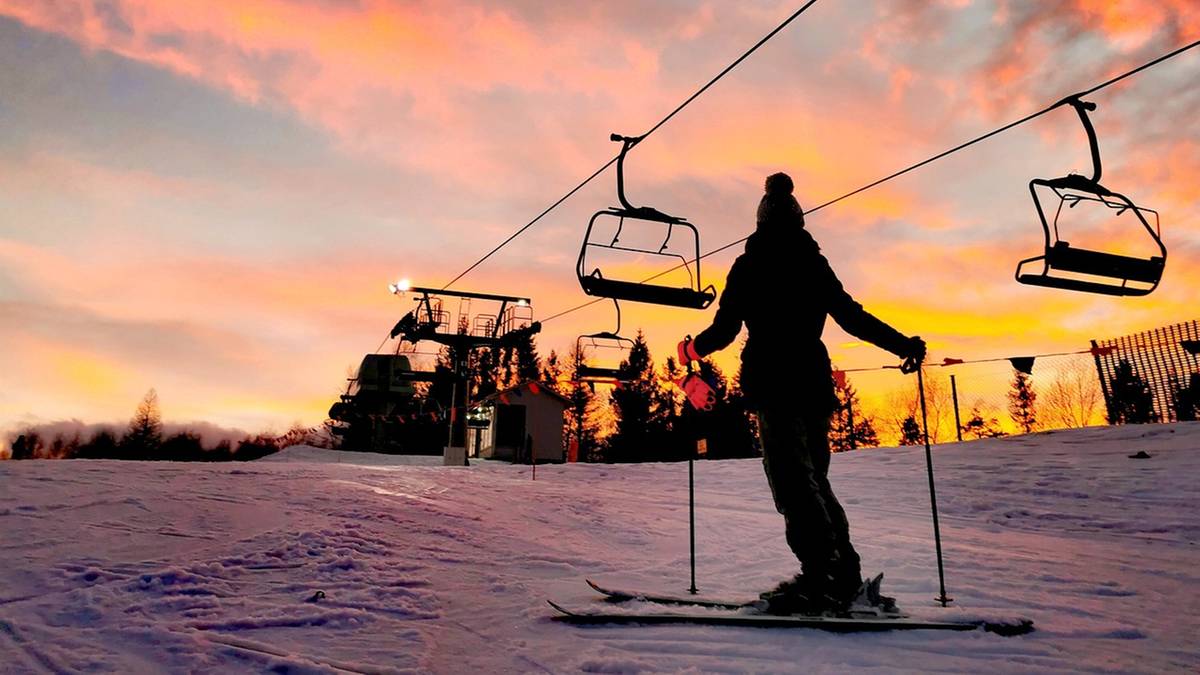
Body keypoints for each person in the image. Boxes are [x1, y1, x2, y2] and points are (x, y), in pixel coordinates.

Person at [677, 172, 925, 612]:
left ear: (760, 222)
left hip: (773, 383)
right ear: (799, 220)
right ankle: (842, 574)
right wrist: (902, 344)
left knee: (792, 482)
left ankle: (821, 576)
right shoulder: (814, 263)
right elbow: (852, 317)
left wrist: (692, 349)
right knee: (813, 480)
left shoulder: (749, 266)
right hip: (812, 383)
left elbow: (725, 330)